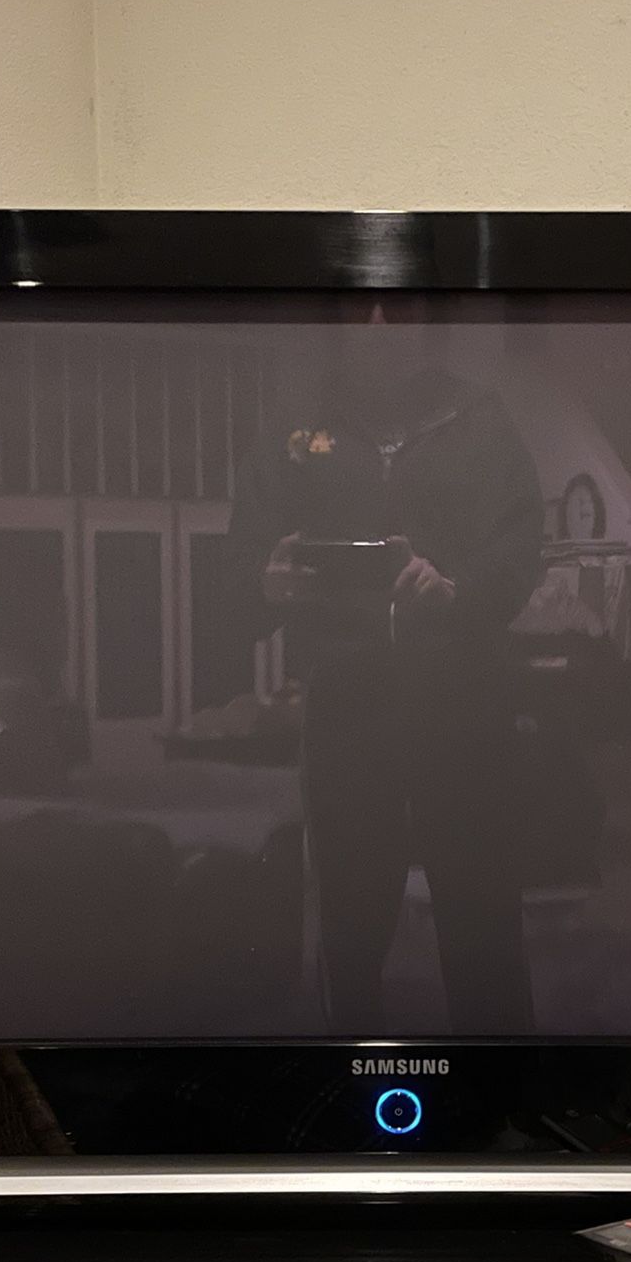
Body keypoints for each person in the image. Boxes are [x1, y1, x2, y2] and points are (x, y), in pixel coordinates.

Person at [228, 298, 544, 1033]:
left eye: (396, 306)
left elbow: (518, 546)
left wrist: (457, 588)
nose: (377, 324)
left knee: (483, 917)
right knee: (348, 922)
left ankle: (503, 1087)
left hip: (465, 709)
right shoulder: (297, 431)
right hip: (346, 711)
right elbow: (241, 559)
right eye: (359, 307)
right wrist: (266, 582)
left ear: (426, 318)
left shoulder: (481, 419)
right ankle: (350, 1073)